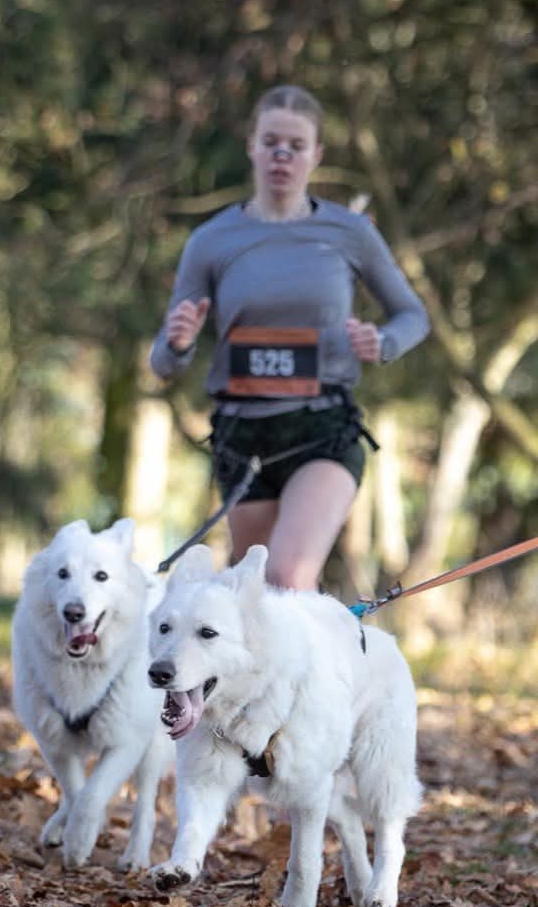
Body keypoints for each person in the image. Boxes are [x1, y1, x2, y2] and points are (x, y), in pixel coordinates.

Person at [150, 85, 429, 591]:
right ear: (251, 146)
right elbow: (164, 363)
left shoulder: (349, 232)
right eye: (271, 142)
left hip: (323, 427)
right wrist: (179, 342)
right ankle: (316, 643)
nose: (282, 155)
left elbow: (413, 315)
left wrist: (383, 342)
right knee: (255, 590)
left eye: (296, 146)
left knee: (288, 575)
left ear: (316, 154)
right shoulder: (211, 240)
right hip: (242, 436)